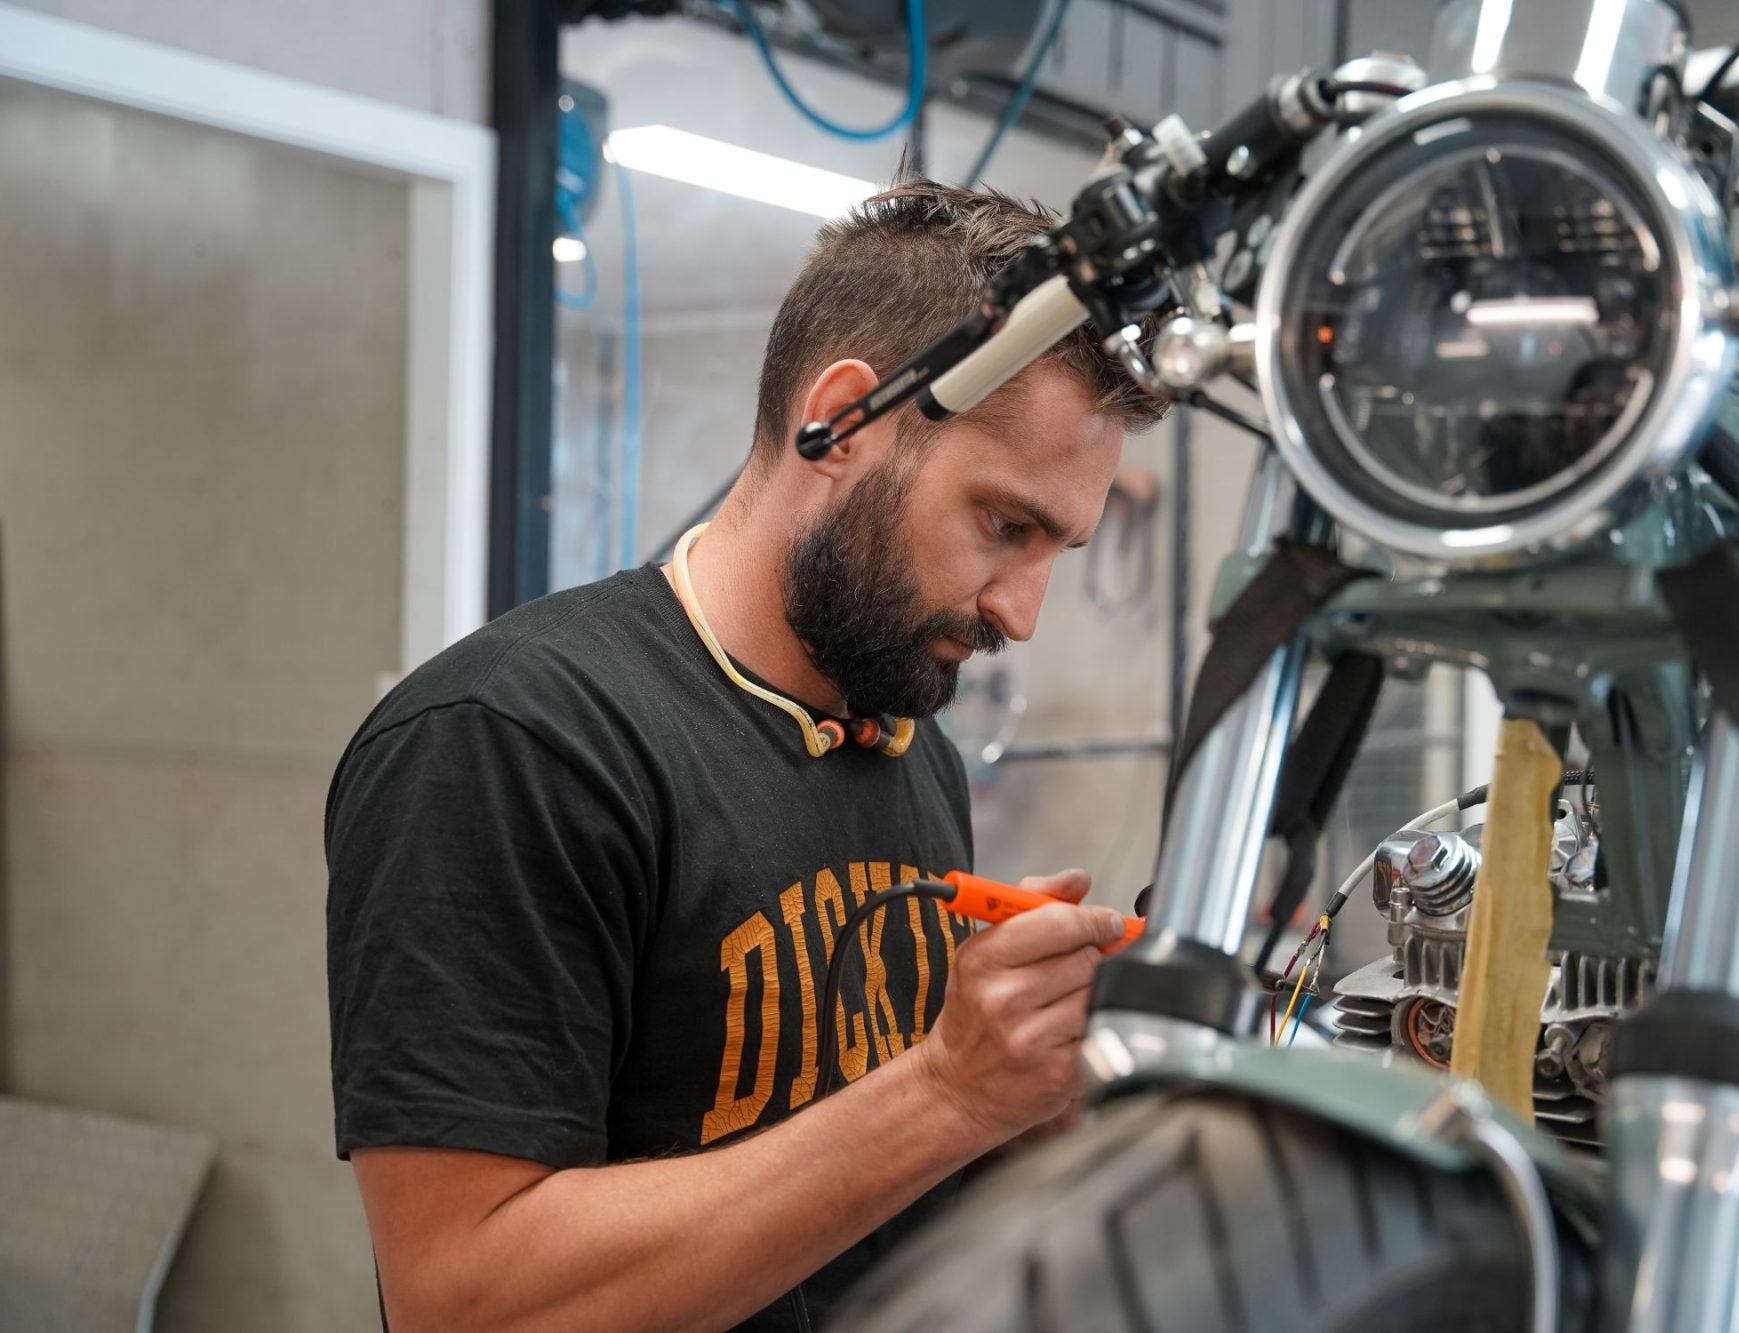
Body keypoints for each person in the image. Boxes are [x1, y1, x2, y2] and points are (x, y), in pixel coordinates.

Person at [325, 178, 1166, 1332]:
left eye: (1053, 548)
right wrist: (946, 1094)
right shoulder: (513, 739)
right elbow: (464, 1300)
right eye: (1003, 524)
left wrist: (1021, 1106)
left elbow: (852, 1194)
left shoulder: (902, 731)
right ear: (844, 420)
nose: (1020, 612)